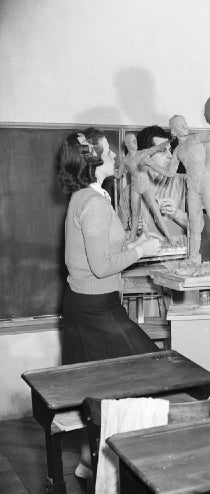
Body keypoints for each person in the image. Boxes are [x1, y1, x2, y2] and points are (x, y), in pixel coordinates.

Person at [57, 127, 161, 478]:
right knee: (152, 368)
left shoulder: (89, 197)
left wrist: (134, 243)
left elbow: (99, 251)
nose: (115, 155)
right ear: (93, 161)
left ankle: (89, 463)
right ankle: (141, 461)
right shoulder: (93, 204)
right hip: (95, 308)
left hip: (84, 303)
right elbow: (101, 267)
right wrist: (142, 251)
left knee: (94, 390)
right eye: (109, 152)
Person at [166, 114, 210, 266]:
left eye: (185, 122)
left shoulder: (196, 138)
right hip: (192, 187)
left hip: (205, 182)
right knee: (194, 227)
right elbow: (169, 172)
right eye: (180, 124)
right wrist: (151, 164)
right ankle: (193, 259)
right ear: (173, 131)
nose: (185, 125)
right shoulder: (178, 151)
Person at [120, 133, 176, 244]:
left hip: (145, 186)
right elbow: (120, 232)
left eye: (135, 140)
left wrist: (169, 140)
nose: (170, 156)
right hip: (135, 189)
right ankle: (132, 239)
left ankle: (170, 238)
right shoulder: (125, 161)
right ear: (127, 144)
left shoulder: (143, 153)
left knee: (156, 212)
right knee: (135, 215)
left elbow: (157, 147)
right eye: (163, 151)